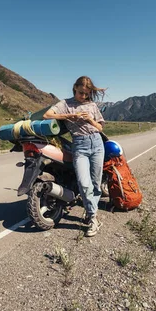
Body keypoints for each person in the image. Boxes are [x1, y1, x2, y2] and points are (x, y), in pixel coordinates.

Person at [43, 76, 106, 237]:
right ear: (74, 88)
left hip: (97, 144)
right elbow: (47, 115)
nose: (83, 96)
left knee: (96, 184)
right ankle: (93, 218)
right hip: (80, 145)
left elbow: (100, 127)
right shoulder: (65, 104)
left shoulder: (92, 105)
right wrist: (69, 116)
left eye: (86, 94)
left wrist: (90, 120)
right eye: (80, 93)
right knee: (84, 184)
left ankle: (91, 213)